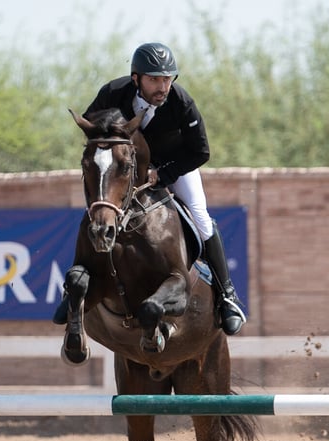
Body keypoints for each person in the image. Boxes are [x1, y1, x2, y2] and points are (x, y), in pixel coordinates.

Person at [56, 42, 245, 334]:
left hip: (173, 164)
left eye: (167, 79)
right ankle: (75, 291)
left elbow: (201, 152)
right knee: (98, 211)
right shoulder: (112, 93)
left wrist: (164, 174)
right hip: (124, 166)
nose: (162, 86)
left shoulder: (181, 102)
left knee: (200, 215)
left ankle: (227, 297)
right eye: (154, 79)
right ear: (136, 79)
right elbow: (94, 133)